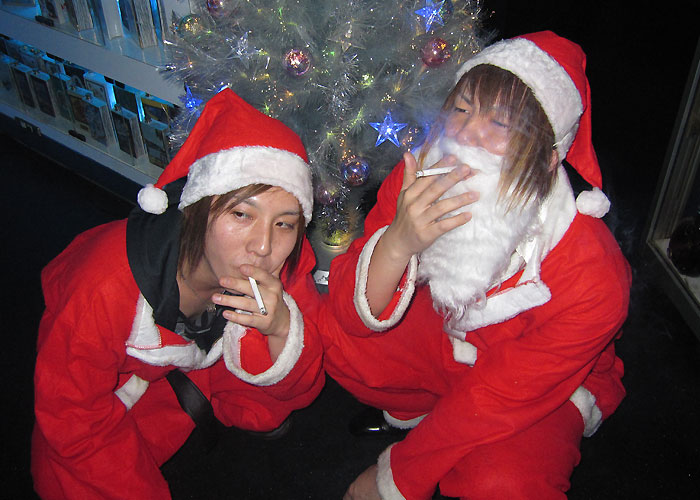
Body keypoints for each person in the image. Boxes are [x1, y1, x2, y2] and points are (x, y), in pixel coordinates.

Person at [320, 31, 631, 499]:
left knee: (502, 484)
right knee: (332, 336)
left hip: (535, 387)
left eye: (500, 123)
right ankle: (430, 411)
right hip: (449, 340)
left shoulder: (594, 274)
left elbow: (502, 394)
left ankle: (451, 435)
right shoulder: (422, 176)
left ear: (549, 159)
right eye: (461, 109)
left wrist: (395, 478)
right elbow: (348, 312)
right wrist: (399, 241)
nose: (465, 136)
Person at [31, 88, 325, 499]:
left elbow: (305, 381)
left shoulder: (284, 261)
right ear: (197, 210)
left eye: (285, 223)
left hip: (194, 364)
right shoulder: (103, 286)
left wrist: (280, 328)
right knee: (67, 474)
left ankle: (219, 388)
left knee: (282, 366)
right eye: (242, 213)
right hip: (118, 377)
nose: (263, 246)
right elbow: (72, 418)